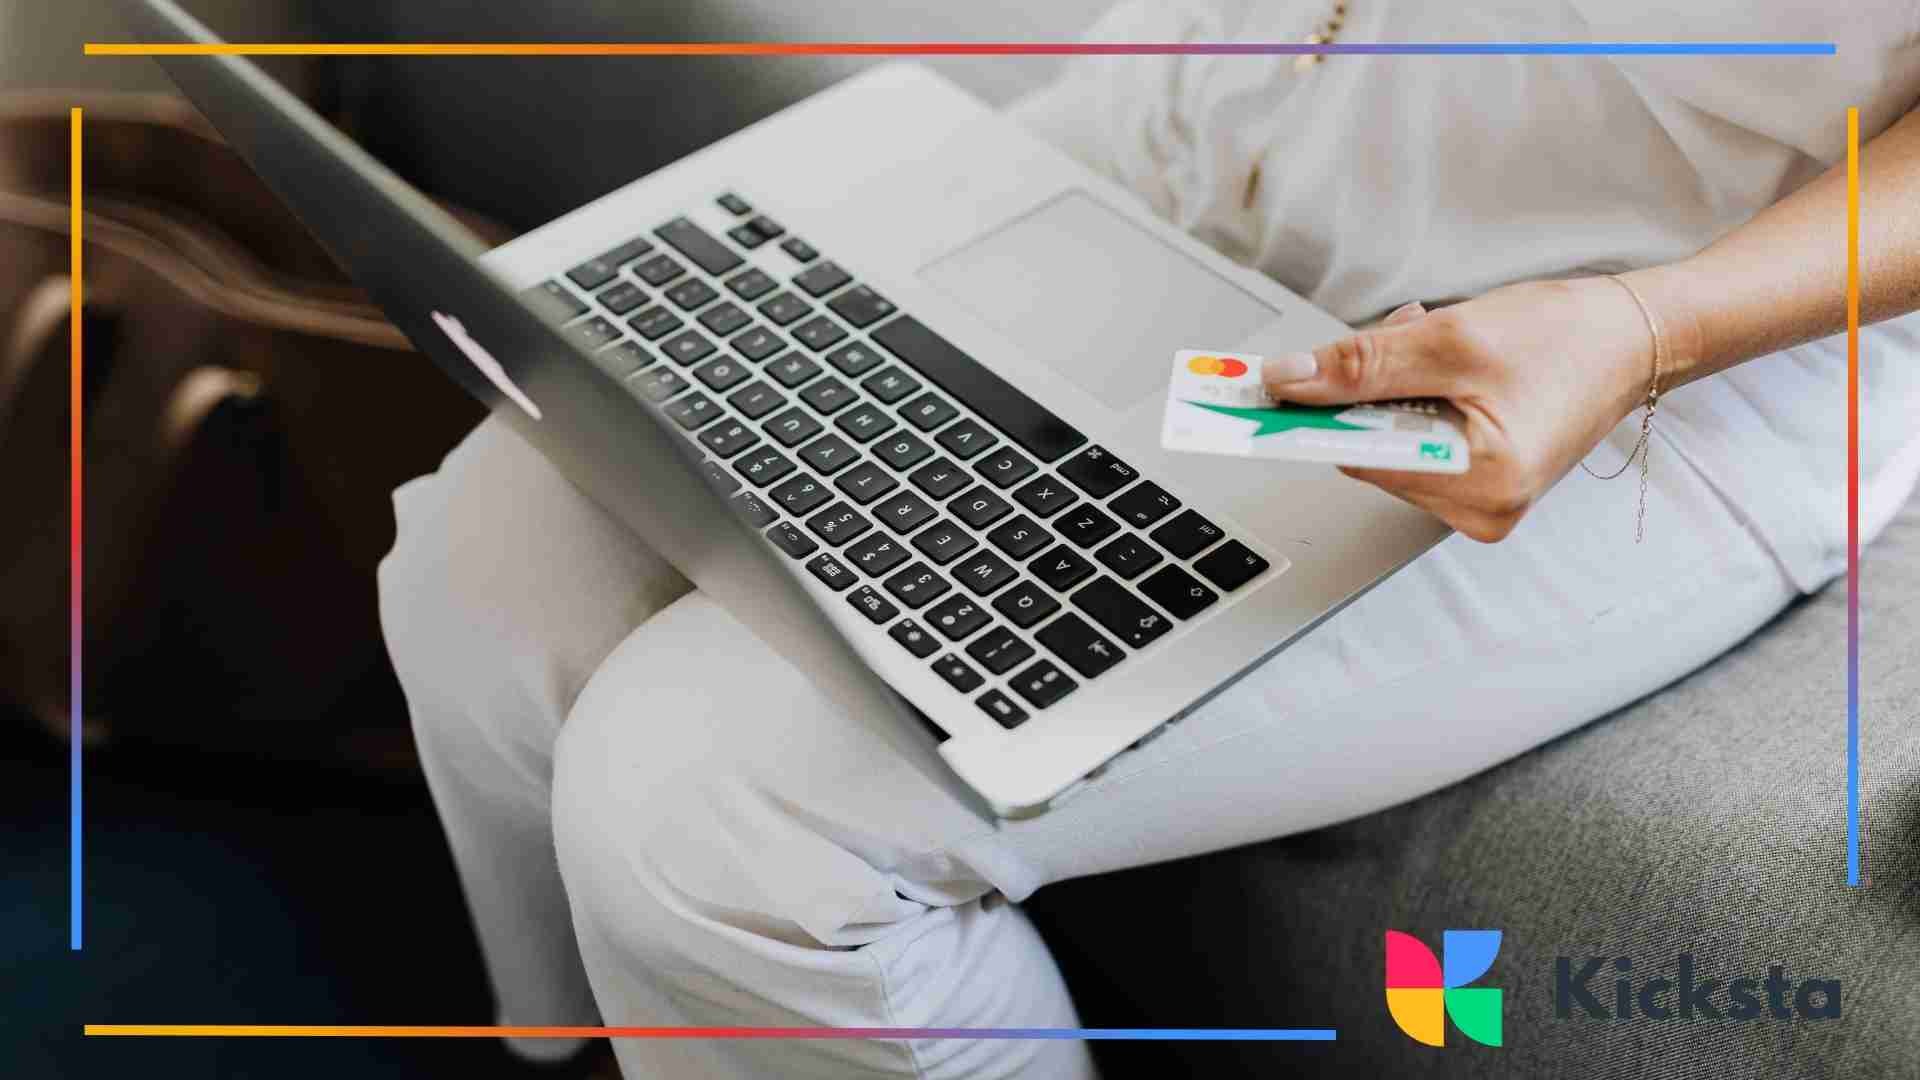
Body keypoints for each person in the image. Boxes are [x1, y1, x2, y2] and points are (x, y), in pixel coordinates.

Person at [376, 3, 1920, 1077]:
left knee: (715, 819)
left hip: (1618, 331)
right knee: (483, 571)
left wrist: (1656, 325)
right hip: (1179, 124)